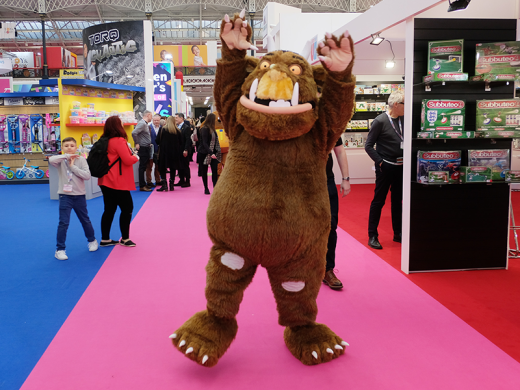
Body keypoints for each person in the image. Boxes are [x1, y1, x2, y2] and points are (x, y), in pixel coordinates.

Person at [365, 90, 405, 250]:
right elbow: (368, 146)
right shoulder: (380, 121)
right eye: (404, 104)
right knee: (379, 201)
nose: (406, 107)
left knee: (398, 202)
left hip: (401, 167)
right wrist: (380, 162)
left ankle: (398, 233)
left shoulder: (404, 119)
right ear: (396, 105)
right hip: (385, 167)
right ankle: (372, 235)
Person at [49, 137, 98, 260]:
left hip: (79, 195)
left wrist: (73, 167)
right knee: (63, 223)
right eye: (66, 146)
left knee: (85, 220)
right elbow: (51, 159)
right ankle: (60, 249)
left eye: (72, 145)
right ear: (62, 148)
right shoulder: (60, 160)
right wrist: (66, 157)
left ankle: (92, 241)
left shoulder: (81, 159)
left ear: (76, 147)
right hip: (65, 196)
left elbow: (87, 176)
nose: (69, 148)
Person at [98, 116, 140, 247]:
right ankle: (125, 238)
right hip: (117, 180)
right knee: (127, 208)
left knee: (109, 209)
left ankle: (105, 238)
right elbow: (127, 160)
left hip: (105, 179)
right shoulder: (119, 141)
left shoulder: (104, 140)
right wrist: (136, 157)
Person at [323, 136, 351, 289]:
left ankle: (327, 270)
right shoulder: (295, 121)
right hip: (301, 182)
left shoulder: (329, 123)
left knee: (331, 226)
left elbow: (339, 150)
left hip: (326, 180)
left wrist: (345, 178)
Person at [155, 116, 182, 192]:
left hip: (164, 152)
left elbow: (157, 141)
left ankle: (164, 185)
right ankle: (171, 184)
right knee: (173, 168)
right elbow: (181, 142)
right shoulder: (178, 131)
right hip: (174, 152)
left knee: (162, 168)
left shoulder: (162, 129)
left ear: (166, 121)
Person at [197, 113, 222, 195]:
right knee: (204, 171)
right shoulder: (204, 129)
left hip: (213, 153)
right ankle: (206, 188)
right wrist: (210, 153)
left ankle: (215, 188)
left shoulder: (213, 129)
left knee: (214, 171)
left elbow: (215, 142)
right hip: (204, 153)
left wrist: (215, 152)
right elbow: (204, 143)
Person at [132, 109, 153, 192]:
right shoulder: (142, 123)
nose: (151, 117)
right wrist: (137, 143)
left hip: (146, 147)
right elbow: (134, 133)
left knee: (144, 166)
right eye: (151, 116)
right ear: (147, 115)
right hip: (143, 148)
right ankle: (142, 185)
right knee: (142, 167)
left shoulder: (144, 124)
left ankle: (144, 184)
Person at [173, 113, 193, 188]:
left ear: (181, 118)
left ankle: (187, 181)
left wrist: (186, 149)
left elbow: (188, 140)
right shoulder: (176, 127)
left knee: (185, 165)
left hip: (184, 150)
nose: (175, 119)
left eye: (177, 118)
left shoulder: (186, 127)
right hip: (178, 150)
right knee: (179, 166)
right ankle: (181, 180)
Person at [146, 114, 162, 187]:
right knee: (149, 166)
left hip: (159, 150)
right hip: (151, 149)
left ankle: (158, 180)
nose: (156, 122)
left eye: (157, 120)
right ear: (152, 120)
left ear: (160, 120)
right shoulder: (148, 128)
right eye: (155, 120)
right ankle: (149, 181)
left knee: (158, 166)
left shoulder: (162, 128)